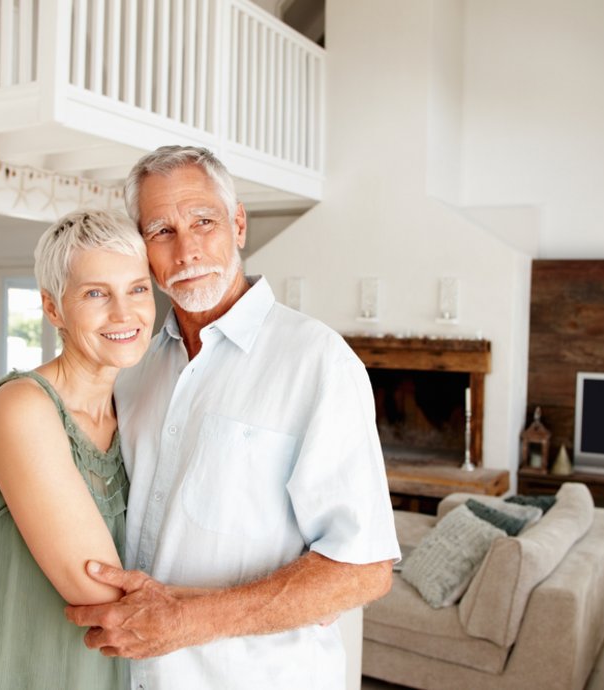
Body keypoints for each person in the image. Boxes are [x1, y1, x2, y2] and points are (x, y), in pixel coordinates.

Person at [65, 146, 401, 689]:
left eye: (204, 222)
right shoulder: (134, 373)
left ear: (238, 224)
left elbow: (363, 569)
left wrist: (185, 621)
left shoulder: (318, 362)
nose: (187, 250)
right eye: (162, 231)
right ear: (142, 249)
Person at [0, 209, 156, 689]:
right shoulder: (23, 408)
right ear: (53, 309)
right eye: (96, 293)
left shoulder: (131, 410)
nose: (124, 312)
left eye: (137, 288)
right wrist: (254, 604)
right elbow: (100, 592)